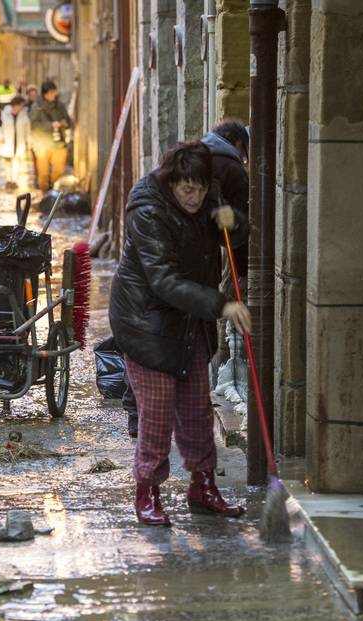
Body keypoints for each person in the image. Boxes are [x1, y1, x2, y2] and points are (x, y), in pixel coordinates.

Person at [108, 141, 251, 526]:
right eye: (188, 189)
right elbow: (163, 280)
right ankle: (147, 492)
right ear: (171, 182)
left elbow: (233, 236)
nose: (195, 197)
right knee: (156, 416)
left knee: (196, 413)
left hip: (189, 323)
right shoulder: (147, 210)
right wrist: (221, 305)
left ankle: (203, 488)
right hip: (146, 325)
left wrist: (234, 221)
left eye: (202, 189)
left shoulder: (207, 196)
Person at [200, 118, 250, 285]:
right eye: (245, 155)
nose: (244, 159)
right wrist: (243, 271)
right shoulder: (233, 171)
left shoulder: (195, 158)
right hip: (204, 256)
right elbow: (235, 223)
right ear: (238, 145)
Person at [29, 80, 72, 193]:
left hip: (58, 143)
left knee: (59, 170)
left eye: (54, 92)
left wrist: (65, 123)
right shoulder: (36, 107)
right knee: (43, 173)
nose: (54, 94)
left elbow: (68, 120)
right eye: (51, 92)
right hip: (42, 144)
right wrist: (51, 125)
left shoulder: (59, 105)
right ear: (45, 93)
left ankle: (50, 186)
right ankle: (45, 193)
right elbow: (34, 125)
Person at [0, 96, 31, 191]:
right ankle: (8, 179)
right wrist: (0, 137)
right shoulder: (4, 114)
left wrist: (29, 141)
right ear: (16, 105)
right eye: (21, 105)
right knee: (7, 162)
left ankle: (14, 180)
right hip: (7, 141)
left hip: (18, 141)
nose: (22, 107)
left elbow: (27, 129)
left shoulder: (23, 115)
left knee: (16, 161)